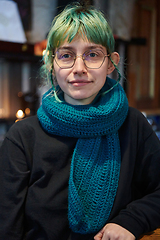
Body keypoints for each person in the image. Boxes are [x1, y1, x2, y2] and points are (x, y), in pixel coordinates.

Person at [0, 3, 160, 240]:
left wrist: (131, 221)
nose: (79, 68)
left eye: (92, 55)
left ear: (111, 63)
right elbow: (7, 227)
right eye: (66, 55)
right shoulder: (23, 136)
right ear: (52, 64)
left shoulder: (133, 124)